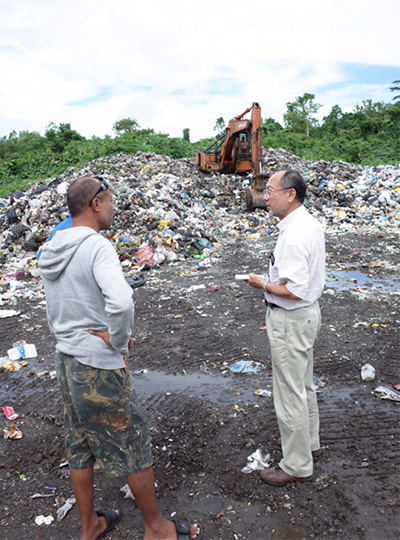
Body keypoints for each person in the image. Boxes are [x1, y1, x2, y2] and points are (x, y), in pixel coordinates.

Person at [38, 176, 200, 540]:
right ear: (95, 203)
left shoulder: (52, 246)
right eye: (110, 201)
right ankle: (157, 529)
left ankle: (89, 525)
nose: (114, 207)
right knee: (131, 442)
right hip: (96, 364)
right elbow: (122, 300)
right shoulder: (96, 247)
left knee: (79, 443)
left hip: (65, 361)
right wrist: (117, 340)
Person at [247, 170, 325, 487]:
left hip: (291, 318)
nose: (265, 197)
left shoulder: (294, 234)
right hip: (306, 316)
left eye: (270, 191)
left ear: (289, 195)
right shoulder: (308, 223)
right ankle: (309, 444)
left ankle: (295, 464)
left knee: (289, 394)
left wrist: (261, 284)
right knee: (302, 385)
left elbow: (294, 289)